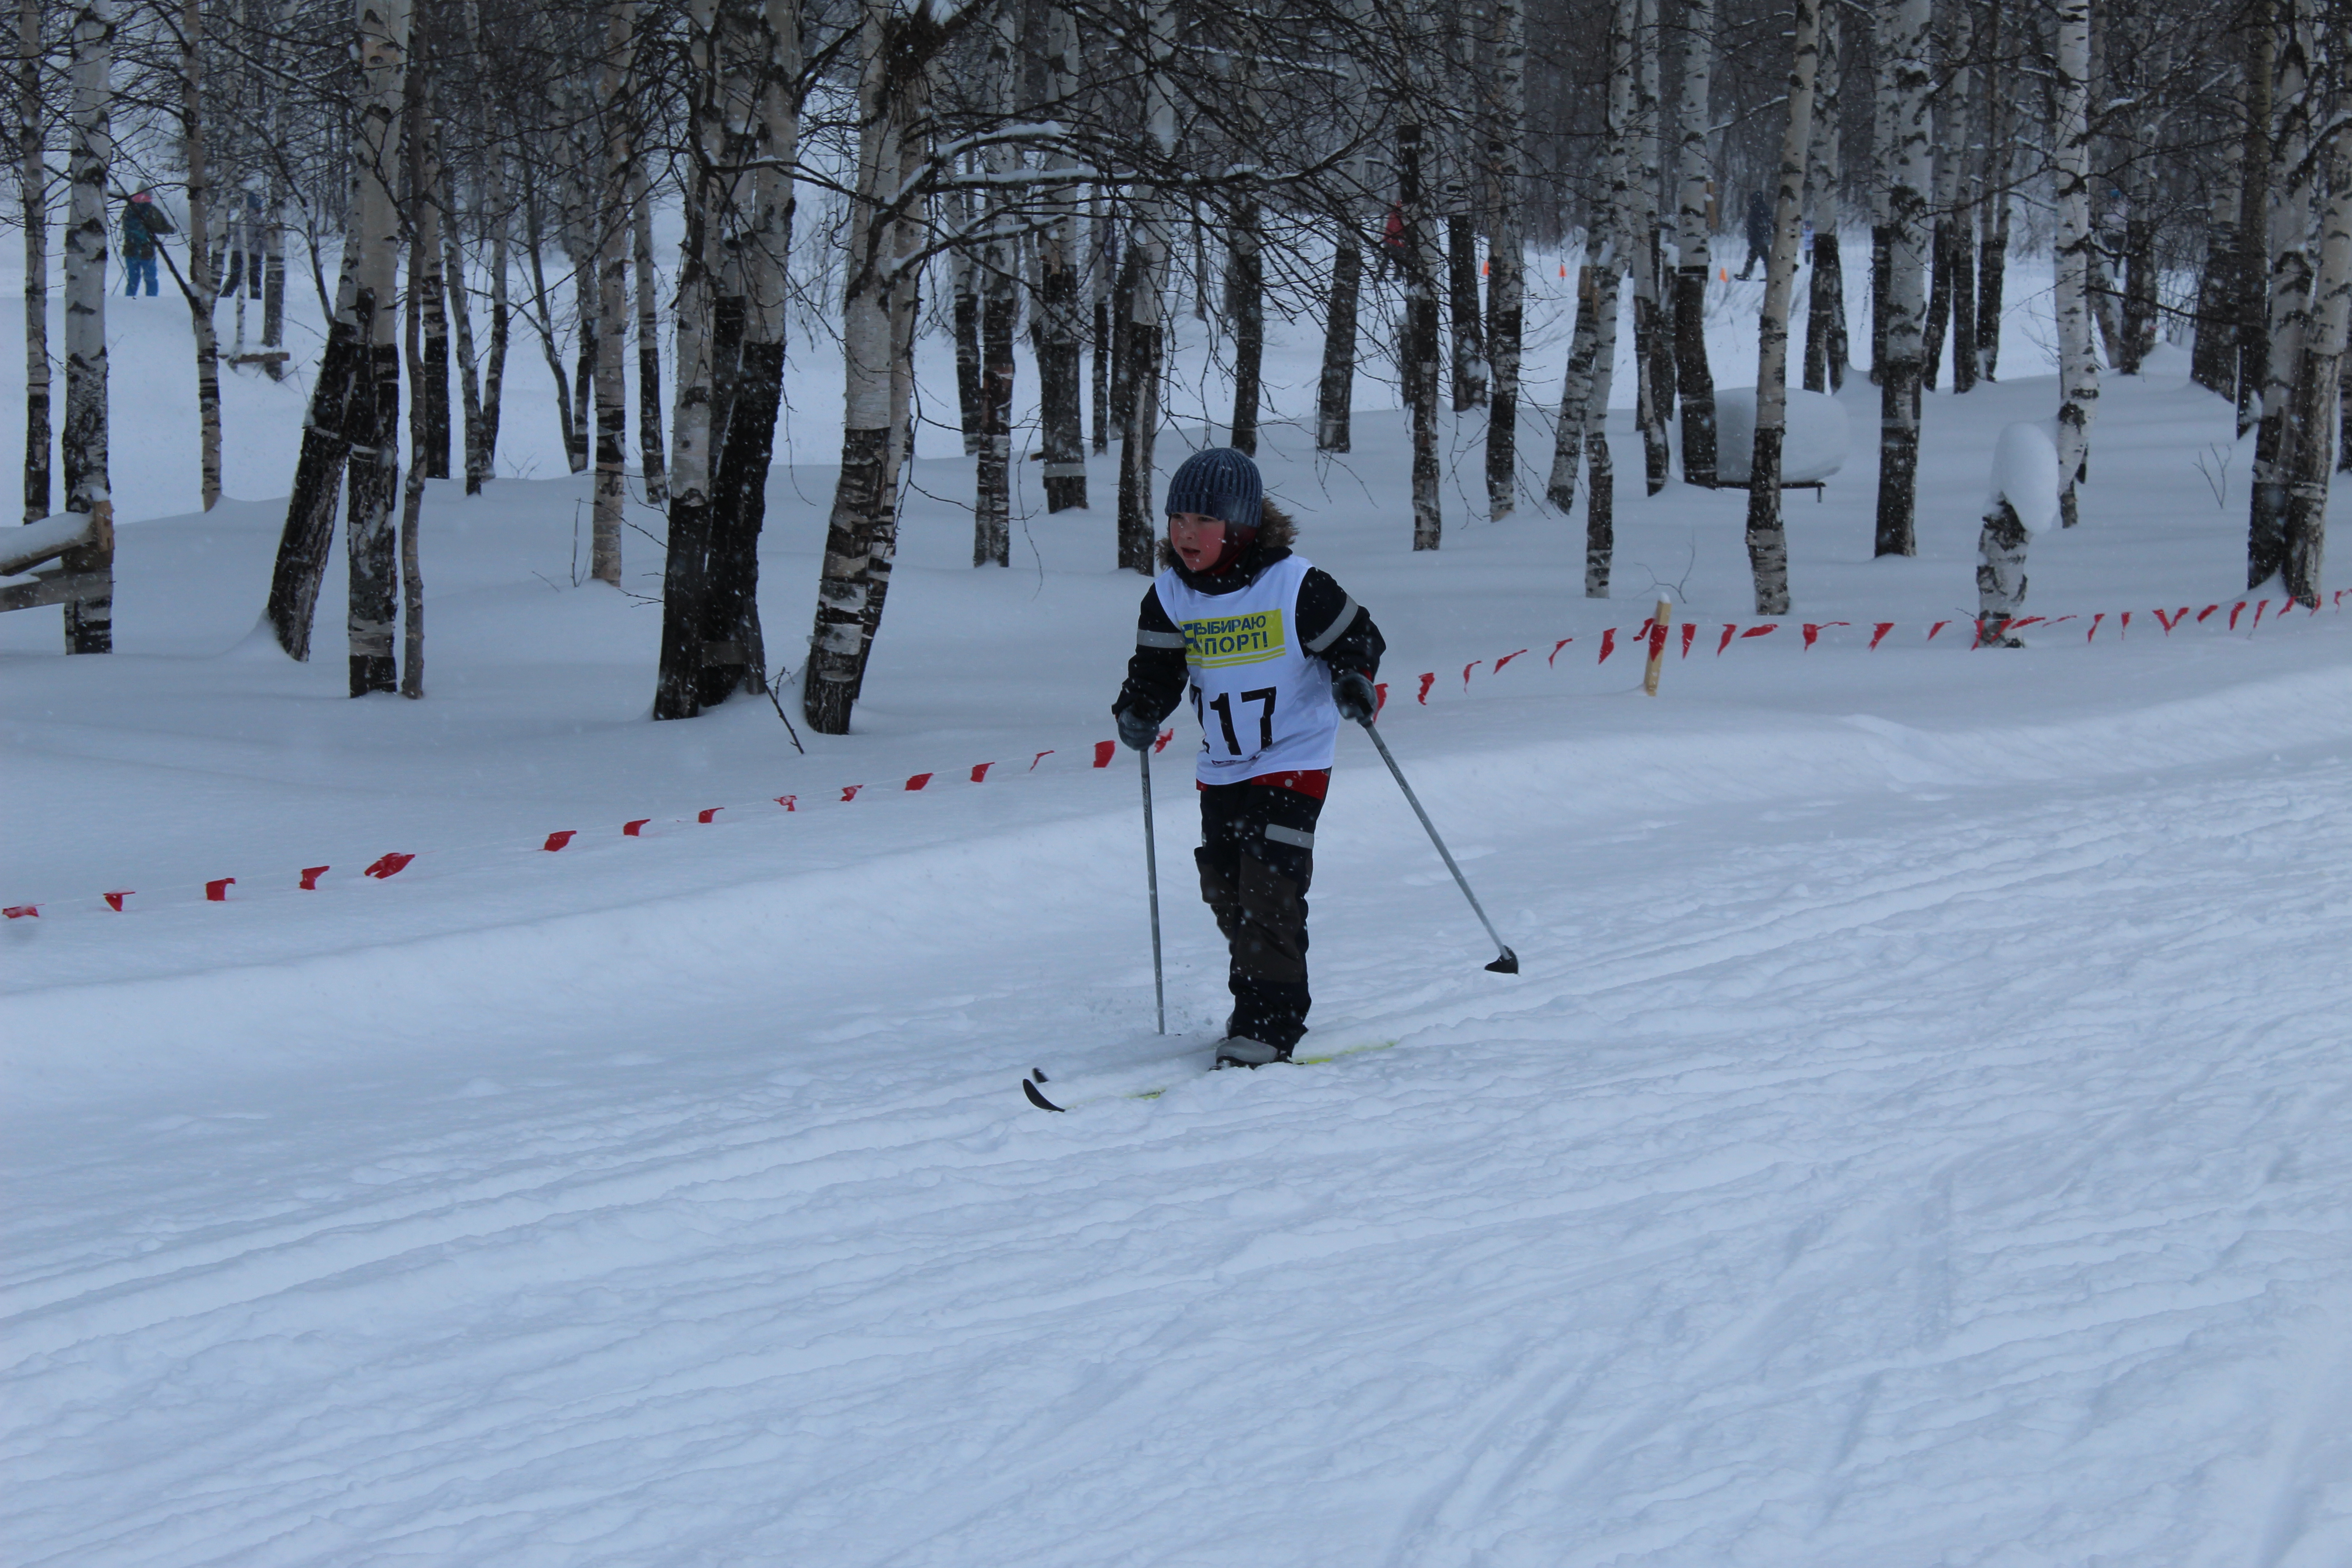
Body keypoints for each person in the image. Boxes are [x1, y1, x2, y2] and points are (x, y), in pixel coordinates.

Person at [1111, 448, 1387, 1071]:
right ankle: (1261, 995)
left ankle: (1269, 1022)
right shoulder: (1172, 595)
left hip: (1295, 756)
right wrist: (1140, 708)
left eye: (1201, 521)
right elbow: (1156, 668)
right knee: (1227, 888)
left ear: (1239, 525)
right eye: (1176, 518)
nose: (1184, 534)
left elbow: (1359, 638)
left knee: (1270, 885)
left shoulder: (1294, 584)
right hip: (1224, 765)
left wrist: (1353, 678)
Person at [119, 189, 172, 296]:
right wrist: (171, 230)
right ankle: (151, 300)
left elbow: (125, 226)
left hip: (130, 250)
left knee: (133, 279)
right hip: (147, 250)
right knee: (150, 278)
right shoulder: (151, 210)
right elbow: (160, 226)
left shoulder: (129, 210)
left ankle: (129, 301)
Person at [1738, 189, 1771, 280]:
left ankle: (1746, 274)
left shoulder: (1758, 210)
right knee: (1761, 258)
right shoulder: (1764, 209)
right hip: (1762, 238)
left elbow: (1757, 224)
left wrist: (1755, 232)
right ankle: (1769, 276)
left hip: (1758, 238)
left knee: (1755, 257)